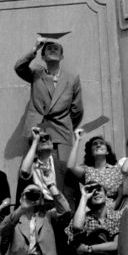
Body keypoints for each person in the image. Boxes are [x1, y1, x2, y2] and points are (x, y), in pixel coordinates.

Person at [14, 35, 83, 166]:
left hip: (62, 133)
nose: (52, 49)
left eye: (56, 48)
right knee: (37, 172)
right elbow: (19, 67)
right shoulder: (36, 73)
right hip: (39, 130)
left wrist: (65, 123)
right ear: (43, 57)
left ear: (62, 57)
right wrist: (35, 48)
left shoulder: (72, 78)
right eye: (48, 48)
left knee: (62, 173)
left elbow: (77, 109)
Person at [67, 130, 125, 209]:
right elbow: (70, 165)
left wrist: (116, 203)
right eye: (95, 144)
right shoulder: (87, 170)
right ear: (91, 152)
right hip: (92, 211)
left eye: (101, 143)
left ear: (107, 151)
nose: (98, 145)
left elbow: (121, 193)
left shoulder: (116, 169)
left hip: (115, 209)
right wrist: (77, 140)